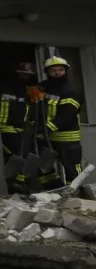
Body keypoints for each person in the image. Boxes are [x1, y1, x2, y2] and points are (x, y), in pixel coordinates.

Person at [40, 56, 84, 187]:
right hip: (47, 137)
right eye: (53, 70)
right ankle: (57, 191)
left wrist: (48, 127)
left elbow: (68, 114)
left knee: (72, 169)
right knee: (42, 167)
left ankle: (76, 195)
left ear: (66, 71)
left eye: (60, 70)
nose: (57, 73)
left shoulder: (71, 90)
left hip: (67, 137)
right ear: (47, 72)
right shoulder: (43, 87)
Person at [0, 61, 38, 193]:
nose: (24, 77)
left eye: (27, 75)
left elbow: (34, 111)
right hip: (4, 128)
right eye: (22, 74)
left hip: (23, 129)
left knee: (25, 156)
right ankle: (12, 185)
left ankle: (21, 185)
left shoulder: (28, 92)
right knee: (11, 157)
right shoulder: (0, 88)